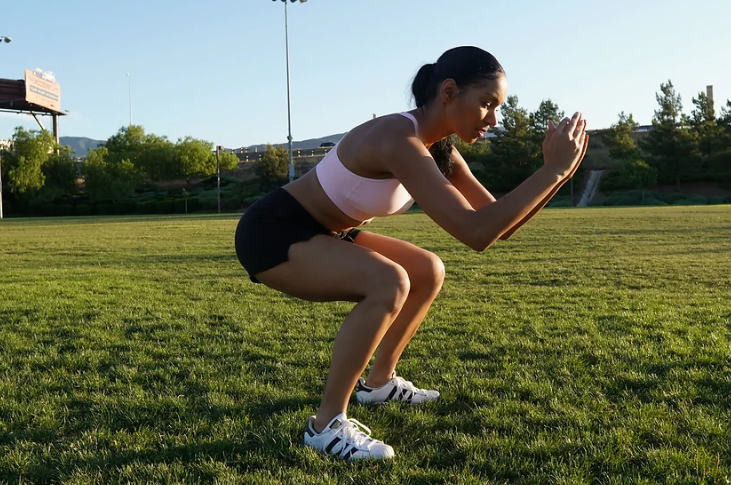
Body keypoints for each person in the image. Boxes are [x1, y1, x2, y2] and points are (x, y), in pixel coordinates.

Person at [235, 46, 588, 461]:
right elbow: (475, 232)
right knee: (389, 281)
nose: (493, 120)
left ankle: (379, 383)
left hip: (331, 231)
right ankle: (324, 425)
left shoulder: (442, 151)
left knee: (427, 269)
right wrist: (553, 171)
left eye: (498, 108)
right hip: (274, 232)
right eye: (487, 104)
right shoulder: (397, 138)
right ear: (449, 91)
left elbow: (499, 225)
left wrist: (559, 173)